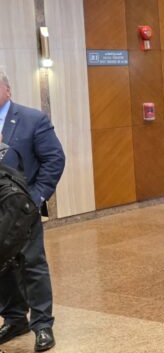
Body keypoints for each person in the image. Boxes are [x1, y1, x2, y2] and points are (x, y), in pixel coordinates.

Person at [0, 71, 64, 352]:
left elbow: (54, 159)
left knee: (32, 263)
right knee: (1, 266)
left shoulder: (31, 119)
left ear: (7, 90)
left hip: (22, 209)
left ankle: (42, 325)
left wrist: (35, 197)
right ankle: (14, 319)